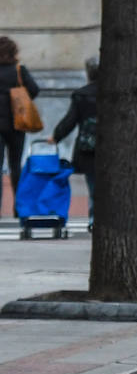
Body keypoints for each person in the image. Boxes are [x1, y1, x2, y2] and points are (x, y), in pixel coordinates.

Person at [48, 56, 98, 230]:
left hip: (89, 148)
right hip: (114, 148)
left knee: (93, 186)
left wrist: (56, 136)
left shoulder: (81, 95)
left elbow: (70, 120)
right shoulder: (116, 95)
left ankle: (94, 218)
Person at [0, 36, 40, 213]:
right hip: (17, 123)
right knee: (16, 166)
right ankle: (19, 208)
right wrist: (19, 97)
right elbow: (34, 89)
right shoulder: (18, 70)